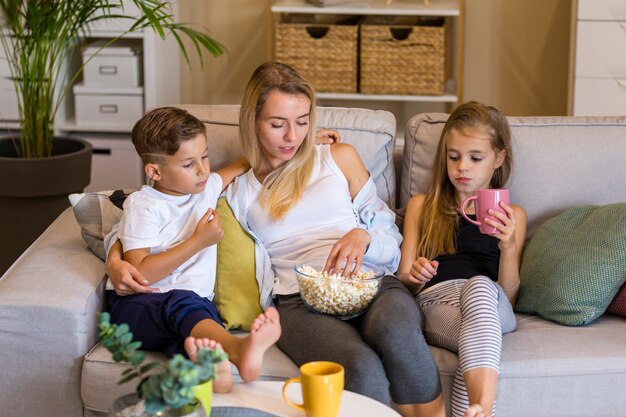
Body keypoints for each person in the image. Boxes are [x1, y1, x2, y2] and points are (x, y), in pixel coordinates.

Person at [222, 61, 444, 417]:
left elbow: (389, 236)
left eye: (303, 122)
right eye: (277, 124)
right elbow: (179, 199)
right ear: (252, 121)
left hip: (371, 283)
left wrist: (364, 237)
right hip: (298, 301)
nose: (292, 137)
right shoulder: (239, 191)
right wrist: (244, 162)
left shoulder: (337, 158)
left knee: (398, 333)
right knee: (360, 367)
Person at [104, 106, 282, 392]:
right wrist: (198, 241)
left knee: (193, 338)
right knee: (184, 307)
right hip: (137, 307)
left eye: (205, 156)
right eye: (189, 164)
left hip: (195, 307)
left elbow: (246, 161)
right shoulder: (145, 205)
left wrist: (303, 142)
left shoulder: (206, 187)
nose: (203, 169)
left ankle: (213, 370)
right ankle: (237, 349)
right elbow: (140, 272)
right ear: (155, 171)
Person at [397, 101, 527, 417]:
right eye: (453, 157)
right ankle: (479, 409)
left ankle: (481, 406)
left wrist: (508, 249)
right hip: (436, 303)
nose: (462, 167)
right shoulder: (421, 206)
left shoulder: (513, 216)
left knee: (480, 286)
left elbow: (508, 296)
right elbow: (402, 283)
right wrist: (415, 276)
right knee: (478, 341)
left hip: (491, 302)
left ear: (498, 158)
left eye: (475, 158)